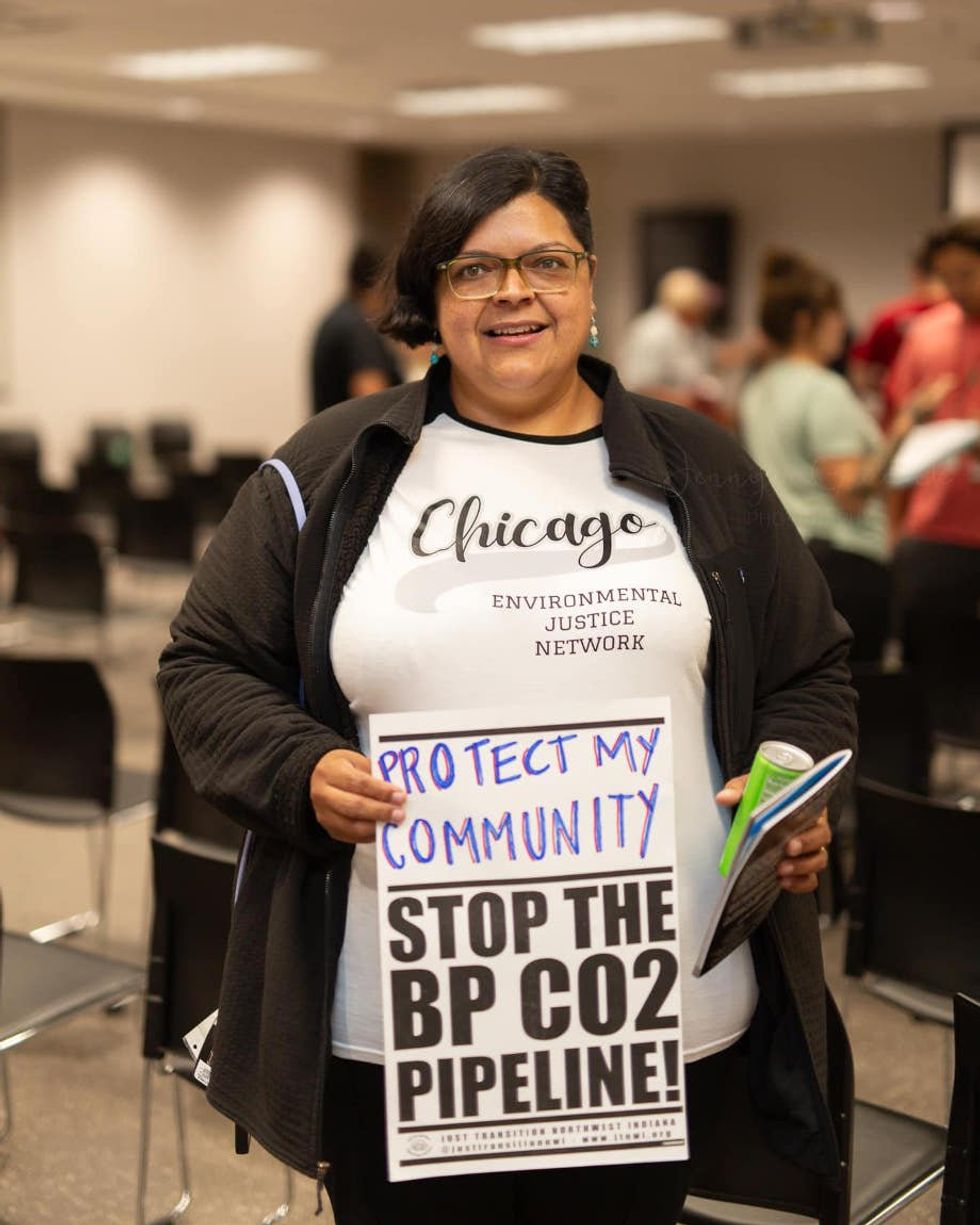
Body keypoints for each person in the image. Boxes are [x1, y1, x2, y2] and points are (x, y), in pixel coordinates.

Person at [159, 148, 854, 1225]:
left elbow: (809, 667)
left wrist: (786, 785)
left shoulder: (704, 469)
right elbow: (203, 666)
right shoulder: (329, 468)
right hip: (400, 1028)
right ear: (428, 299)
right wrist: (302, 768)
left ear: (586, 286)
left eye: (545, 261)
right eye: (473, 270)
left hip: (649, 1022)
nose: (513, 292)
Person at [739, 251, 942, 664]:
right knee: (854, 705)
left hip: (787, 562)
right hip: (842, 568)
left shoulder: (757, 388)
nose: (842, 327)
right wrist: (907, 424)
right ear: (805, 322)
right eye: (836, 314)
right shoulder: (823, 390)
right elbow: (852, 493)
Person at [885, 217, 980, 733]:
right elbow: (898, 437)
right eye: (949, 277)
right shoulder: (927, 333)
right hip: (935, 532)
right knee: (934, 680)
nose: (958, 288)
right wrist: (894, 535)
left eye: (968, 273)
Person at [849, 234, 947, 425]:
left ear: (914, 273)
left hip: (900, 420)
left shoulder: (889, 316)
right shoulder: (892, 317)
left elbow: (860, 374)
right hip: (932, 422)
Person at [616, 268, 730, 423]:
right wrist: (688, 400)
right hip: (650, 422)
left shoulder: (693, 330)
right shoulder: (652, 330)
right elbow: (638, 387)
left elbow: (711, 355)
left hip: (680, 420)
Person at [310, 243, 402, 413]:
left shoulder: (337, 317)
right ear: (380, 283)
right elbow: (374, 403)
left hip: (331, 435)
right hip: (349, 437)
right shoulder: (358, 329)